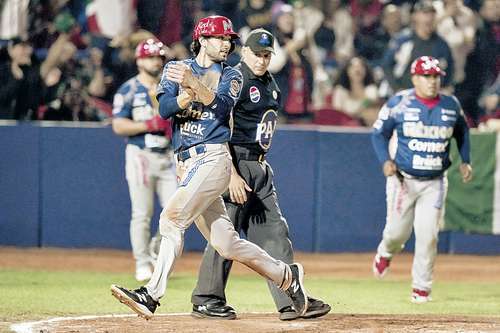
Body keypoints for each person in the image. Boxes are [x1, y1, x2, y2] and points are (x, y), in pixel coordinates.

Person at [110, 15, 310, 320]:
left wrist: (193, 87)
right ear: (202, 40)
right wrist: (185, 95)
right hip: (186, 161)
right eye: (219, 38)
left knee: (171, 219)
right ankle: (286, 275)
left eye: (228, 38)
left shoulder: (233, 75)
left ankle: (151, 295)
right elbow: (164, 109)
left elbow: (220, 108)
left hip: (213, 158)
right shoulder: (176, 67)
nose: (226, 43)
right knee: (227, 243)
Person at [190, 28, 331, 321]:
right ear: (245, 51)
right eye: (257, 53)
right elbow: (215, 125)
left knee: (275, 234)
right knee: (224, 235)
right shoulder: (234, 80)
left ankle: (292, 299)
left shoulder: (269, 83)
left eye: (267, 55)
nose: (262, 60)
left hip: (258, 166)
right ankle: (206, 298)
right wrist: (229, 175)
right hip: (234, 164)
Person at [371, 56, 472, 303]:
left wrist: (465, 160)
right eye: (427, 76)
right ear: (415, 78)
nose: (432, 81)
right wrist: (385, 160)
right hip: (403, 179)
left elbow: (463, 131)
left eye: (436, 76)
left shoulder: (450, 105)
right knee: (396, 233)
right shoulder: (400, 103)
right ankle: (385, 252)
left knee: (428, 235)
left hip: (435, 181)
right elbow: (378, 133)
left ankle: (421, 288)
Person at [111, 38, 177, 282]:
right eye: (150, 56)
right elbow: (118, 124)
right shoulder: (129, 90)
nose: (155, 61)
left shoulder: (169, 87)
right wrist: (148, 124)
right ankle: (142, 262)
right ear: (139, 60)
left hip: (168, 155)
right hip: (141, 155)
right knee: (142, 212)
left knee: (175, 211)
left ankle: (157, 251)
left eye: (159, 56)